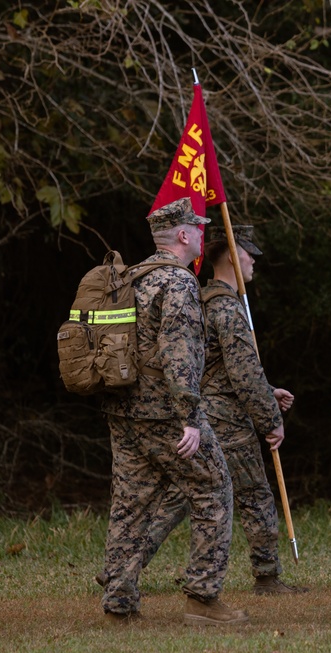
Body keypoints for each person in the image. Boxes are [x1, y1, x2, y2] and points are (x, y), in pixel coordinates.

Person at [99, 224, 306, 595]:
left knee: (174, 498)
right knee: (252, 494)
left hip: (193, 413)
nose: (254, 259)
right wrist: (270, 421)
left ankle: (122, 568)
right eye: (249, 252)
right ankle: (265, 576)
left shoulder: (202, 298)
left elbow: (214, 367)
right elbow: (244, 372)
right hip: (223, 420)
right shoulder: (225, 306)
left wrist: (267, 392)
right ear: (230, 255)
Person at [99, 197, 246, 626]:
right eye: (197, 229)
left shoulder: (131, 278)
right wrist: (192, 418)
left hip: (124, 411)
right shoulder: (177, 283)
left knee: (129, 504)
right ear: (183, 235)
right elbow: (178, 353)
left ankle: (118, 605)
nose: (202, 235)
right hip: (165, 413)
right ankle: (202, 598)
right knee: (214, 489)